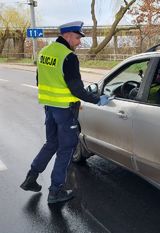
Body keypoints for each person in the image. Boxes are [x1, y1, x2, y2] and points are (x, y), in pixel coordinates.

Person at [20, 21, 110, 204]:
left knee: (51, 143)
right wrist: (96, 99)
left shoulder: (45, 52)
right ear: (67, 35)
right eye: (77, 38)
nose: (78, 42)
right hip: (65, 110)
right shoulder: (68, 57)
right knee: (67, 149)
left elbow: (39, 81)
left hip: (50, 108)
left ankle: (31, 177)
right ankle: (55, 191)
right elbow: (77, 89)